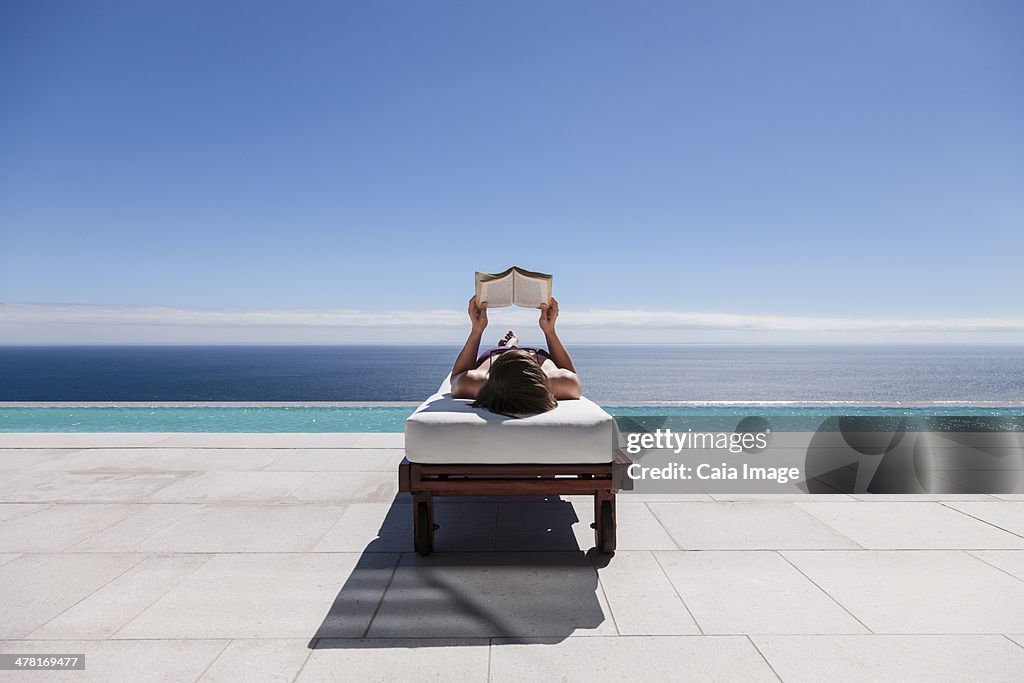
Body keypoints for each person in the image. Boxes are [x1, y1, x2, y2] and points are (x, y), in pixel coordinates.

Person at [450, 296, 582, 414]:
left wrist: (476, 330)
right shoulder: (560, 383)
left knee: (508, 347)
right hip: (516, 356)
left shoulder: (475, 383)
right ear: (536, 371)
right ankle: (511, 344)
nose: (515, 351)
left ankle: (507, 346)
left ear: (494, 374)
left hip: (498, 353)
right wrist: (550, 331)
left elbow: (457, 375)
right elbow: (569, 372)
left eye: (510, 354)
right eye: (528, 358)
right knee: (513, 348)